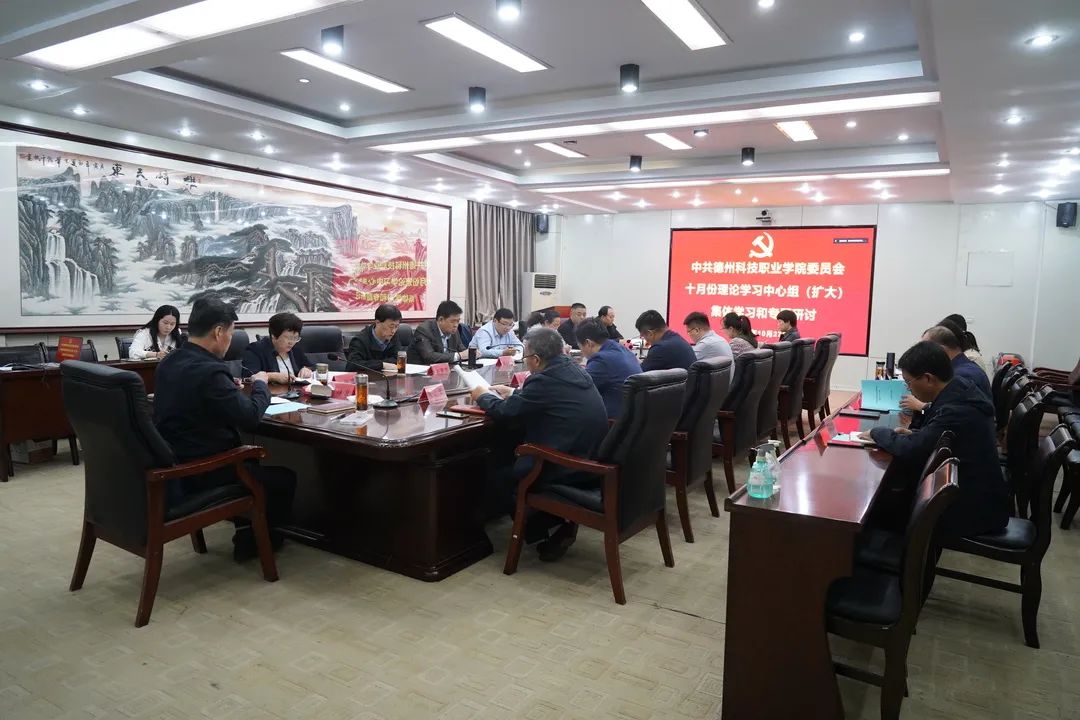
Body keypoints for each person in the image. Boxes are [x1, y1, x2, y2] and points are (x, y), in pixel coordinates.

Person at [153, 296, 296, 562]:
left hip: (175, 460)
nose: (230, 339)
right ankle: (256, 542)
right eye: (231, 333)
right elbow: (250, 417)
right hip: (205, 470)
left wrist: (227, 387)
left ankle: (245, 529)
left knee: (253, 462)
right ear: (219, 332)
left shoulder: (170, 362)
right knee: (284, 478)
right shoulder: (209, 371)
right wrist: (261, 384)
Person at [470, 327, 608, 561]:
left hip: (566, 466)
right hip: (589, 457)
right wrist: (515, 392)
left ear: (535, 359)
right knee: (507, 455)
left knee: (498, 474)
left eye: (525, 356)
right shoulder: (573, 369)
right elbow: (547, 399)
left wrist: (482, 395)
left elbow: (505, 413)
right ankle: (551, 525)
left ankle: (544, 532)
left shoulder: (544, 380)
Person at [864, 341, 1009, 539]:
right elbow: (932, 438)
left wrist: (877, 432)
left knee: (878, 512)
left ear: (928, 379)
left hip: (971, 510)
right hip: (972, 495)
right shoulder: (960, 390)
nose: (908, 389)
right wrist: (917, 435)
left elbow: (913, 450)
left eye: (908, 382)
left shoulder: (955, 410)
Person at [576, 318, 642, 418]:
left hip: (614, 421)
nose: (581, 351)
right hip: (634, 417)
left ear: (588, 343)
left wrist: (568, 362)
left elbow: (577, 390)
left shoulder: (601, 360)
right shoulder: (622, 349)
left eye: (580, 347)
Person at [922, 325, 992, 400]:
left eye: (926, 350)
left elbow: (948, 406)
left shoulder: (961, 376)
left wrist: (920, 406)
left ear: (940, 350)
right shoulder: (965, 367)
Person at [241, 312, 313, 383]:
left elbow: (311, 366)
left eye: (295, 338)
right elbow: (248, 377)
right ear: (274, 335)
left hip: (295, 390)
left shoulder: (295, 348)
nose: (291, 342)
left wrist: (307, 369)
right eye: (288, 338)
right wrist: (272, 376)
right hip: (269, 390)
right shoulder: (255, 350)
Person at [347, 303, 402, 372]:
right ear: (377, 322)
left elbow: (398, 360)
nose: (393, 331)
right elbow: (353, 365)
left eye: (396, 326)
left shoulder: (393, 336)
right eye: (391, 326)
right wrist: (382, 365)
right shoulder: (360, 340)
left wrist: (372, 364)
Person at [409, 300, 468, 364]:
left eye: (458, 321)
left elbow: (462, 350)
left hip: (447, 368)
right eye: (452, 321)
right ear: (441, 320)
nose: (456, 325)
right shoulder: (424, 330)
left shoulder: (454, 332)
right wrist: (458, 356)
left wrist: (470, 354)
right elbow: (429, 356)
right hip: (422, 368)